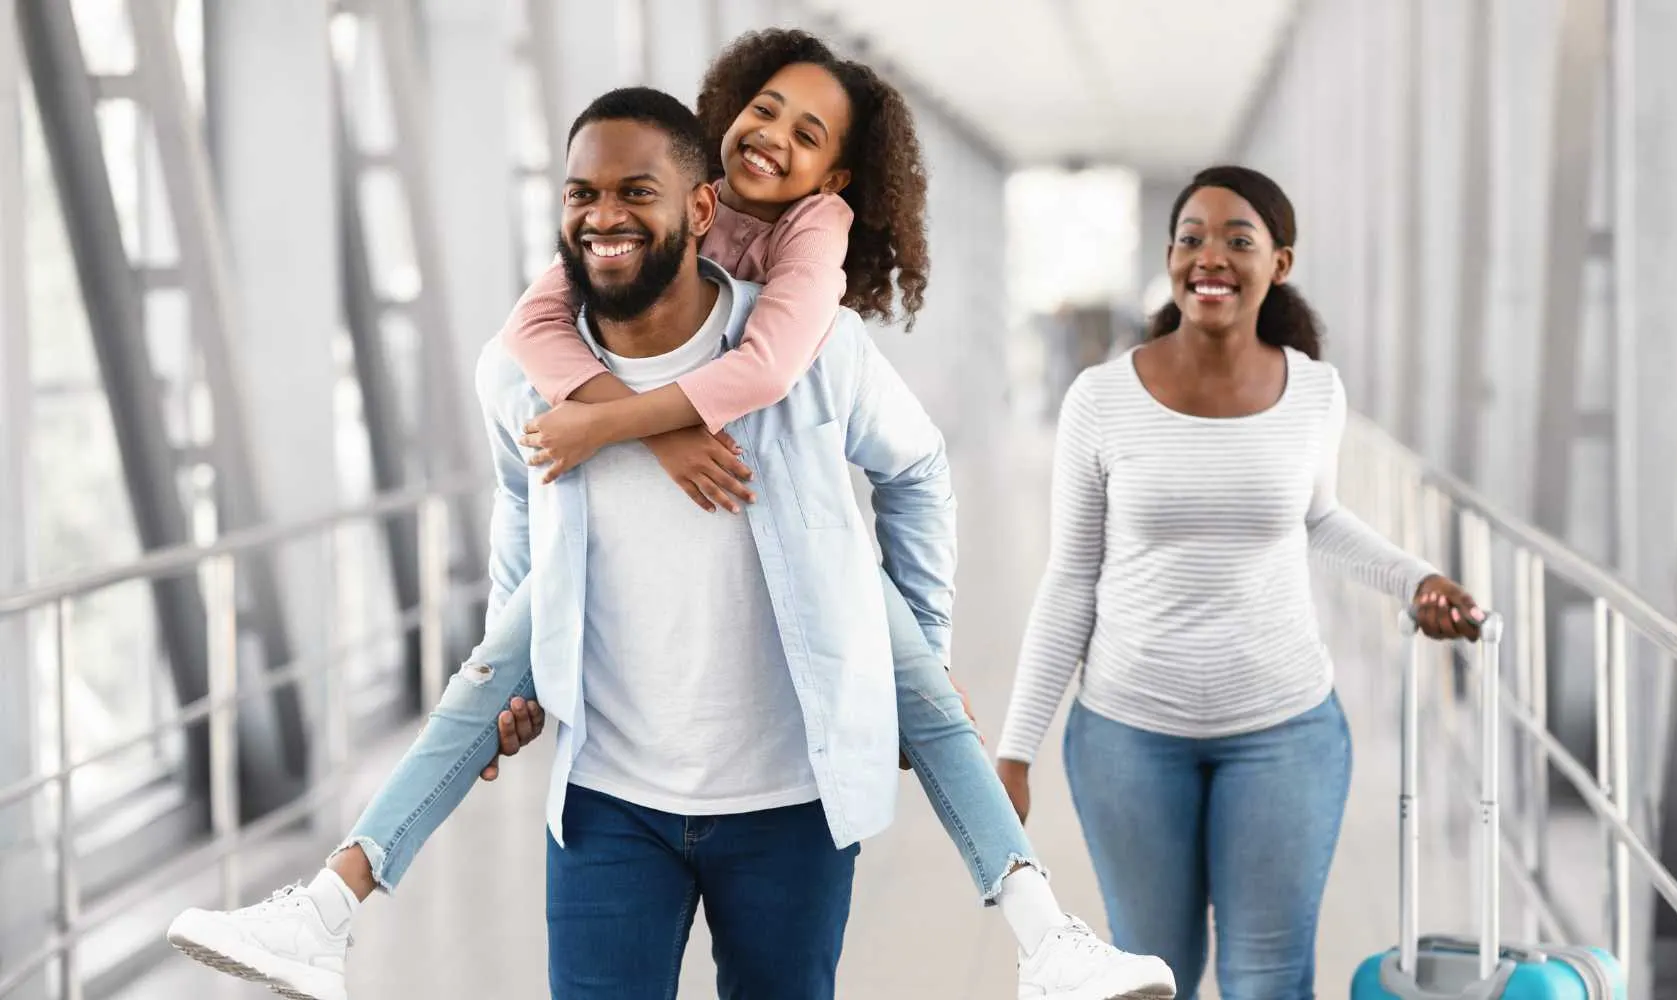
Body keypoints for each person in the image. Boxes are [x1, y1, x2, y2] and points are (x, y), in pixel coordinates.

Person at [167, 41, 1167, 1000]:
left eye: (636, 193)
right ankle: (324, 910)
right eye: (584, 194)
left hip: (793, 799)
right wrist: (538, 639)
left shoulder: (811, 321)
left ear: (700, 203)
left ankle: (1047, 936)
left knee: (919, 682)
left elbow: (888, 451)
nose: (608, 214)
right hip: (610, 798)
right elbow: (524, 495)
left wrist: (918, 633)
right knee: (486, 668)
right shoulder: (532, 353)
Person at [992, 166, 1485, 1000]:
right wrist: (1014, 751)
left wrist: (1416, 580)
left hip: (1284, 731)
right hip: (1127, 737)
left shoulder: (1315, 391)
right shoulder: (1101, 400)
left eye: (1237, 240)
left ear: (1279, 264)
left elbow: (1320, 517)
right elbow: (1071, 578)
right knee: (1154, 976)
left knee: (1268, 980)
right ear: (1170, 257)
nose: (1209, 257)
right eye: (1191, 238)